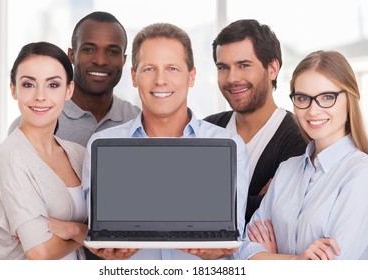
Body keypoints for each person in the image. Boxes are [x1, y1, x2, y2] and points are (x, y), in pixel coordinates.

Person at [81, 22, 250, 260]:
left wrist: (221, 248)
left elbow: (235, 235)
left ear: (191, 76)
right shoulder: (104, 144)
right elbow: (100, 229)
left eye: (172, 68)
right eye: (149, 69)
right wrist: (106, 250)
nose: (160, 80)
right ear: (133, 76)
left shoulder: (228, 145)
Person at [237, 50, 368, 260]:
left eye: (327, 97)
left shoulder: (361, 174)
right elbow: (243, 253)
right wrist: (296, 261)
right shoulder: (287, 169)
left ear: (350, 99)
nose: (313, 110)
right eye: (302, 98)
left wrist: (270, 258)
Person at [0, 42, 89, 259]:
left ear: (68, 90)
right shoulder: (10, 158)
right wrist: (83, 232)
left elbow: (105, 227)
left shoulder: (79, 154)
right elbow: (39, 252)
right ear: (14, 90)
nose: (40, 96)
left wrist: (73, 230)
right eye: (28, 85)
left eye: (53, 85)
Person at [204, 19, 306, 223]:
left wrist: (214, 201)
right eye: (223, 67)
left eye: (243, 65)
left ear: (272, 68)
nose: (232, 78)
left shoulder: (298, 139)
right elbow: (186, 207)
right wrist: (256, 201)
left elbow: (277, 220)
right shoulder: (206, 130)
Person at [8, 11, 140, 147]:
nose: (100, 61)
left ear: (124, 60)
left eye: (113, 52)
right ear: (71, 55)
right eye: (88, 50)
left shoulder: (138, 120)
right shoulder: (32, 123)